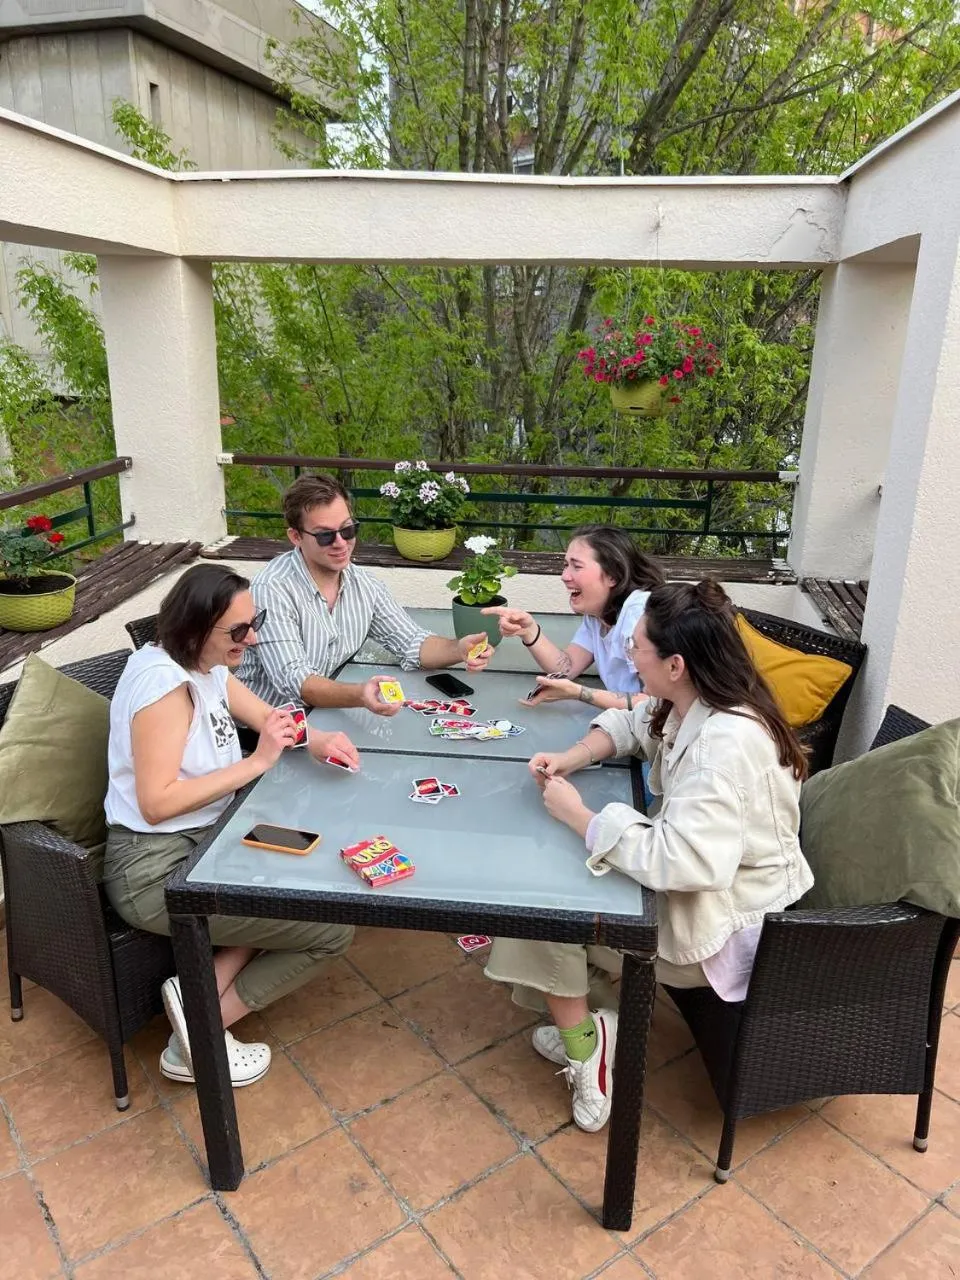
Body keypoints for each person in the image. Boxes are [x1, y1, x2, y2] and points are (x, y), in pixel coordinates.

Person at [484, 579, 813, 1133]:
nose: (628, 654)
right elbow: (636, 724)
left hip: (722, 930)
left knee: (539, 914)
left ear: (677, 663)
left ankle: (588, 1044)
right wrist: (575, 755)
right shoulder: (697, 700)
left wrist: (580, 816)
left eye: (637, 645)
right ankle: (588, 1017)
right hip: (707, 895)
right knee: (550, 886)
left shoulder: (724, 747)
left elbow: (684, 864)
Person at [103, 563, 361, 1088]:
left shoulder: (207, 665)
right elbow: (155, 803)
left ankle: (197, 990)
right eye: (239, 630)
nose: (254, 637)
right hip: (157, 868)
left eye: (254, 621)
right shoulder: (165, 691)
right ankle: (201, 1026)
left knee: (313, 869)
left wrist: (314, 740)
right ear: (197, 627)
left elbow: (269, 719)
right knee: (330, 928)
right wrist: (258, 763)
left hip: (210, 839)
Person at [238, 473, 493, 714]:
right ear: (295, 536)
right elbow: (296, 681)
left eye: (348, 530)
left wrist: (457, 649)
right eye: (325, 536)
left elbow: (413, 642)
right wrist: (361, 695)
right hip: (262, 730)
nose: (341, 543)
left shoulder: (364, 584)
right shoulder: (272, 589)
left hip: (324, 717)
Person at [482, 525, 664, 712]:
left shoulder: (639, 614)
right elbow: (567, 668)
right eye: (565, 565)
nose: (564, 576)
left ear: (613, 575)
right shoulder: (597, 614)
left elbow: (657, 703)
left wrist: (580, 693)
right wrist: (529, 631)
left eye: (577, 566)